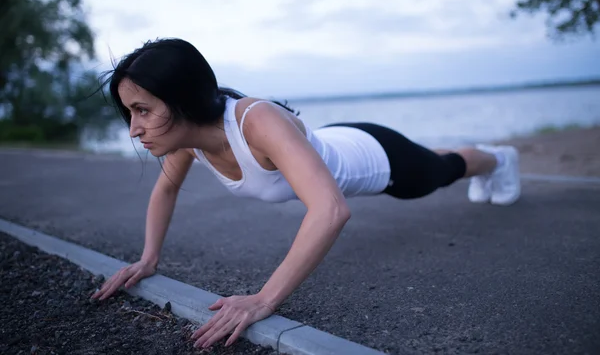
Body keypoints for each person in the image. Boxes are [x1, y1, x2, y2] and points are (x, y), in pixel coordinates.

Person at [90, 38, 520, 349]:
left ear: (181, 100)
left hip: (378, 159)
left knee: (444, 170)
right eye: (130, 113)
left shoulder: (255, 121)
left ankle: (499, 159)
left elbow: (331, 210)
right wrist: (148, 259)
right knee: (435, 158)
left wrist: (264, 299)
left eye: (142, 110)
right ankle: (484, 159)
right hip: (338, 142)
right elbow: (166, 189)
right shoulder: (188, 142)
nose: (134, 129)